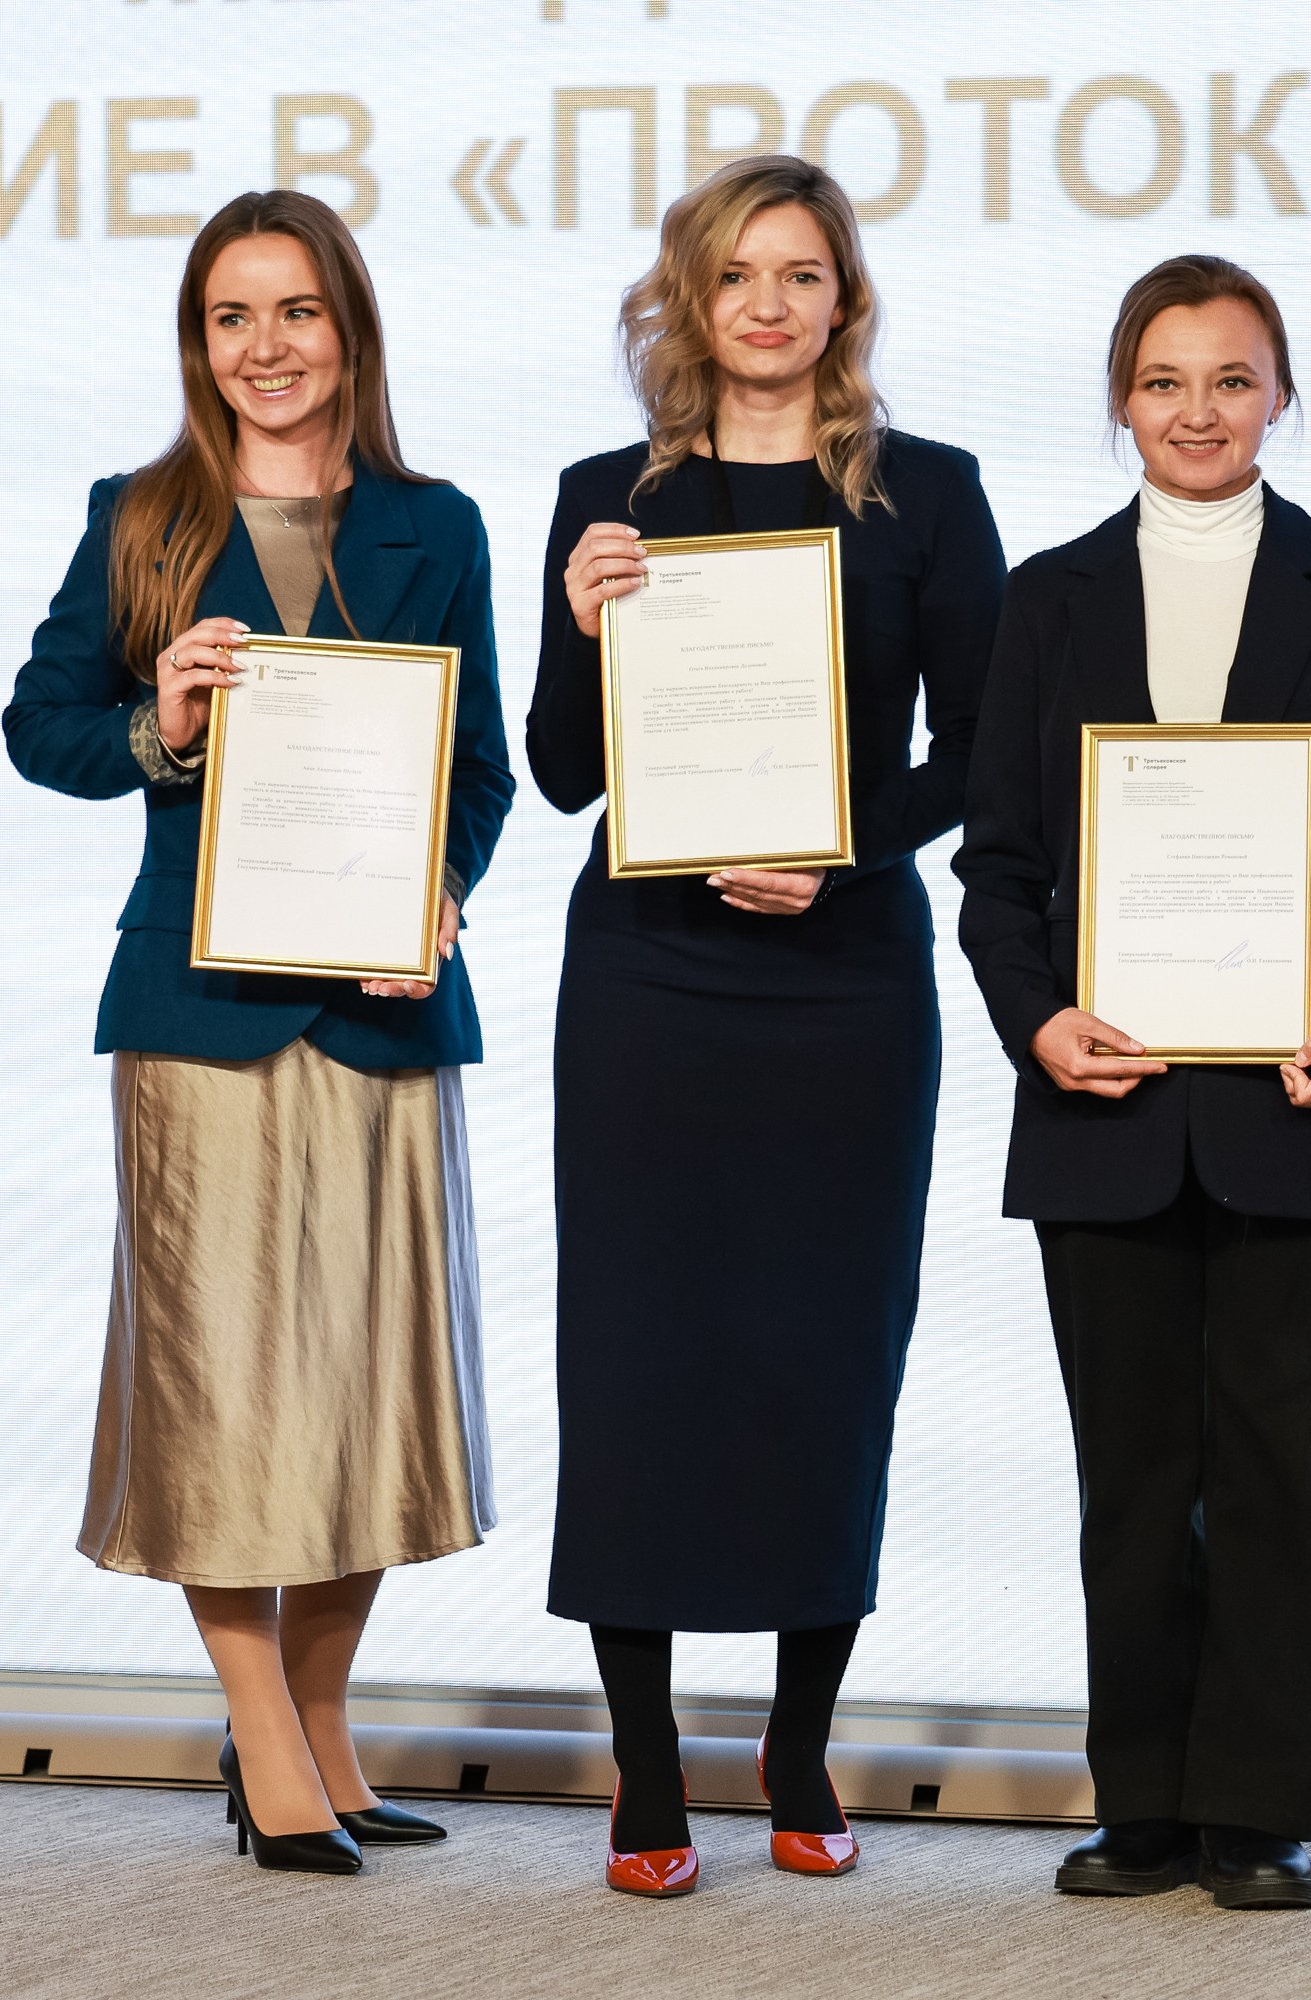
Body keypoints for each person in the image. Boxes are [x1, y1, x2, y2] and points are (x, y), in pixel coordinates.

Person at [2, 190, 514, 1876]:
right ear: (198, 342)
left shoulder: (439, 523)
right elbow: (41, 726)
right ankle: (264, 1735)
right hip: (196, 1013)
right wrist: (157, 722)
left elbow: (483, 770)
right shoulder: (140, 516)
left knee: (369, 1382)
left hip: (381, 1008)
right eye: (233, 316)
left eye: (297, 311)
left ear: (349, 331)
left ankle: (320, 1722)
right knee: (217, 1385)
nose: (266, 346)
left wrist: (439, 891)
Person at [954, 255, 1311, 1911]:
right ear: (1122, 399)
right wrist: (1038, 1020)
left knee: (1281, 1479)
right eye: (1166, 380)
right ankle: (1143, 1805)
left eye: (1233, 379)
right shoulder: (1047, 598)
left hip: (1302, 1109)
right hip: (1101, 1111)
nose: (1198, 411)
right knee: (1131, 1480)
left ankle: (1259, 1811)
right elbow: (996, 866)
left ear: (1281, 396)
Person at [524, 155, 1006, 1897]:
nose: (769, 305)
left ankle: (799, 1748)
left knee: (826, 1354)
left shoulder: (929, 494)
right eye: (737, 274)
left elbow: (988, 749)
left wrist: (848, 843)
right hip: (648, 984)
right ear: (688, 299)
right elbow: (560, 771)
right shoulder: (606, 500)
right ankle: (647, 1766)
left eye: (802, 274)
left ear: (843, 299)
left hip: (846, 981)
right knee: (639, 1357)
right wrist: (583, 627)